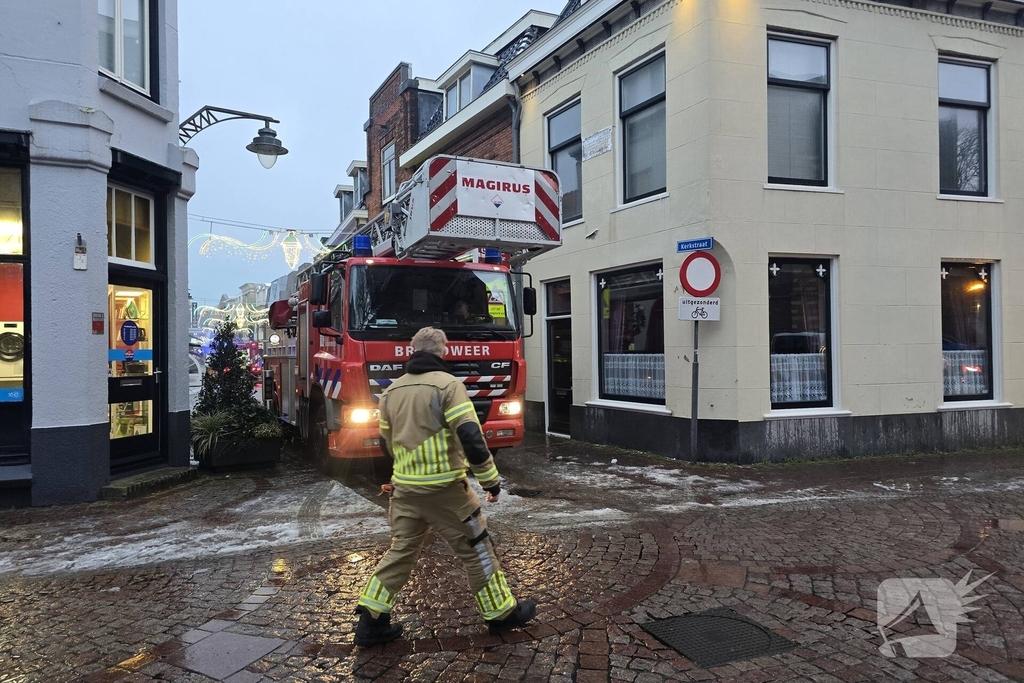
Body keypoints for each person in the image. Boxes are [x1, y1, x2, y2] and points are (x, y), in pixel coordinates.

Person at [353, 326, 536, 646]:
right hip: (446, 491)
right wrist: (490, 480)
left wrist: (406, 472)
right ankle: (500, 613)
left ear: (412, 352)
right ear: (443, 352)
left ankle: (372, 619)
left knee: (401, 552)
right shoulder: (448, 386)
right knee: (477, 547)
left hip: (405, 491)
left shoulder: (392, 391)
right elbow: (471, 437)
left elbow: (386, 442)